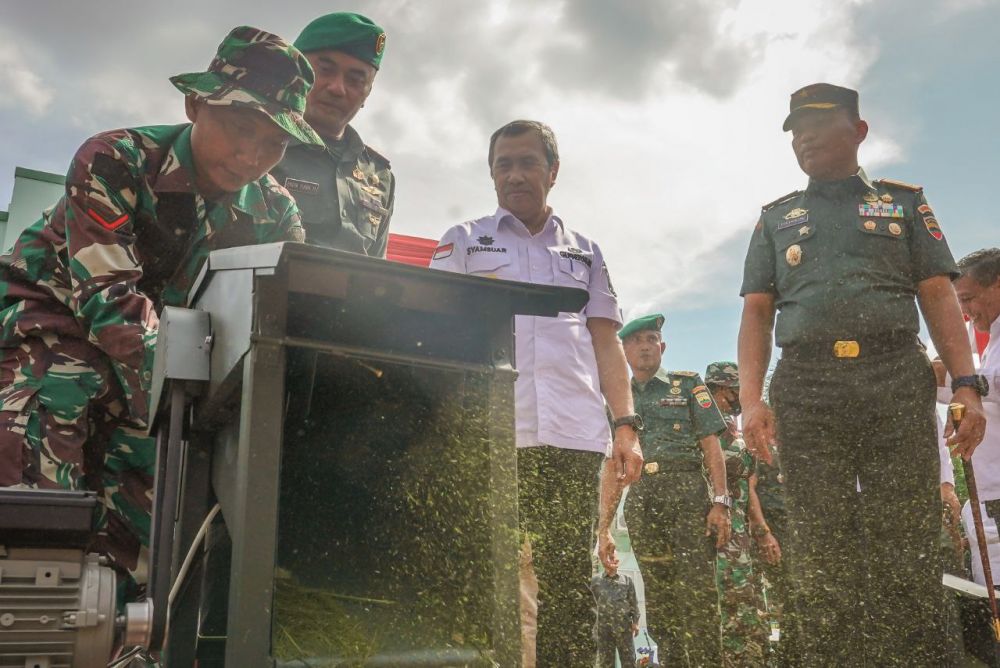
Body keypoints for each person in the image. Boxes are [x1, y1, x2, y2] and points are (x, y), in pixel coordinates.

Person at [0, 26, 321, 601]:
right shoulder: (115, 159)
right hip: (54, 325)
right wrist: (190, 401)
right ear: (196, 105)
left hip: (169, 364)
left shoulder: (275, 214)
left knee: (159, 516)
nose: (253, 155)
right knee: (62, 402)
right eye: (242, 128)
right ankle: (27, 602)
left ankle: (123, 629)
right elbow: (109, 305)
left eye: (274, 143)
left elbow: (273, 327)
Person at [738, 82, 987, 665]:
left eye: (817, 126)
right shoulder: (776, 220)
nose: (803, 138)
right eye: (795, 130)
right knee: (819, 540)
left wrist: (968, 386)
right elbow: (755, 313)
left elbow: (939, 297)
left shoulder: (903, 204)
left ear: (858, 131)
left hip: (892, 376)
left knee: (906, 534)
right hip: (805, 385)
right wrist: (751, 400)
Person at [429, 119, 642, 666]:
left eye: (527, 162)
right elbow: (436, 335)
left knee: (568, 579)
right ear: (491, 172)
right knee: (484, 570)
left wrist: (626, 425)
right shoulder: (462, 239)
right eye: (503, 164)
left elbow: (606, 342)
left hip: (573, 435)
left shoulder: (585, 252)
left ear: (553, 170)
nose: (514, 175)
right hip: (491, 434)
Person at [598, 314, 730, 667]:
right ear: (623, 350)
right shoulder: (615, 400)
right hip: (643, 499)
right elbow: (613, 465)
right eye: (636, 340)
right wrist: (604, 526)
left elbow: (711, 444)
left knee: (698, 593)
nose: (644, 345)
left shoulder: (686, 385)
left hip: (687, 492)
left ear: (663, 346)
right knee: (659, 598)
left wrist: (721, 500)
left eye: (651, 338)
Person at [271, 12, 394, 255]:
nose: (338, 88)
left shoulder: (379, 174)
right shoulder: (258, 143)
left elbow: (378, 266)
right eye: (325, 70)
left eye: (355, 79)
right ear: (295, 71)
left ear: (368, 93)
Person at [705, 361, 777, 667]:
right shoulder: (703, 435)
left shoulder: (738, 436)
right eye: (734, 392)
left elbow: (750, 491)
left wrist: (763, 532)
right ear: (720, 390)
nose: (738, 399)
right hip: (715, 538)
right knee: (722, 611)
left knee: (748, 610)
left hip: (741, 541)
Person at [936, 248, 1000, 587]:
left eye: (968, 299)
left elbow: (985, 385)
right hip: (989, 509)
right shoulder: (992, 343)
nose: (964, 312)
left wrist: (962, 381)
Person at [589, 551, 640, 668]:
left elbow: (633, 603)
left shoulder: (627, 580)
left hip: (624, 628)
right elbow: (591, 605)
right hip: (603, 629)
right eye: (610, 558)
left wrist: (636, 622)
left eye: (615, 557)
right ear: (603, 561)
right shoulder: (595, 581)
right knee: (606, 662)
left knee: (629, 661)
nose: (613, 560)